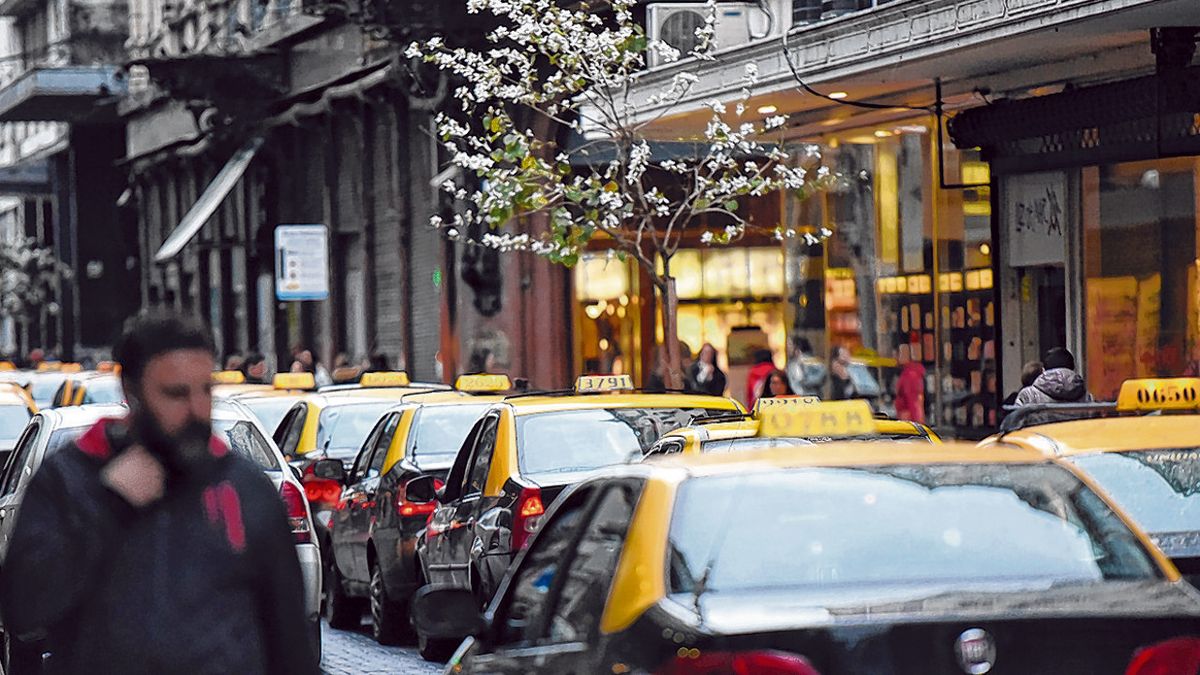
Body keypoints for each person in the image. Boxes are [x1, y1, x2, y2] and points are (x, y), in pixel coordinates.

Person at [0, 311, 317, 674]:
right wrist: (111, 505)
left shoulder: (244, 487)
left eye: (205, 390)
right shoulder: (70, 480)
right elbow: (23, 607)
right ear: (131, 391)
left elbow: (290, 641)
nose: (197, 410)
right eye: (176, 394)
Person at [1014, 348, 1091, 425]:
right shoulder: (1086, 396)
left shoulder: (1028, 395)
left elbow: (1015, 423)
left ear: (1043, 370)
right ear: (1073, 368)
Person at [893, 350, 927, 423]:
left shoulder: (910, 375)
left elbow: (913, 401)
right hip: (909, 417)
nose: (895, 358)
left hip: (909, 419)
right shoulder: (909, 373)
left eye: (896, 355)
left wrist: (917, 422)